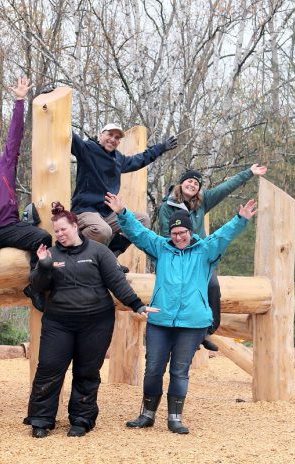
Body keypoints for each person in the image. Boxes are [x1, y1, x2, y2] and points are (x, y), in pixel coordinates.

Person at [105, 192, 257, 434]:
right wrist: (123, 213)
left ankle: (175, 417)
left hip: (192, 322)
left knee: (179, 369)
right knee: (153, 367)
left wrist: (240, 219)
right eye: (174, 234)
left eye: (182, 233)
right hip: (161, 319)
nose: (178, 237)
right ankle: (147, 414)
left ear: (190, 232)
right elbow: (140, 234)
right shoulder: (162, 248)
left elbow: (223, 235)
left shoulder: (205, 250)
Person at [23, 202, 158, 439]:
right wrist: (43, 266)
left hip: (96, 322)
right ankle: (41, 419)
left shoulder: (98, 251)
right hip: (59, 323)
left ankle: (82, 419)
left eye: (63, 229)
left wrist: (137, 305)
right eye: (56, 231)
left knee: (87, 371)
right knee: (49, 368)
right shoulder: (51, 255)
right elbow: (38, 287)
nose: (60, 235)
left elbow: (117, 283)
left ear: (75, 226)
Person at [157, 165, 267, 351]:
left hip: (200, 258)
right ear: (181, 183)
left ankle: (206, 331)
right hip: (176, 258)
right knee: (180, 292)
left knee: (213, 286)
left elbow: (225, 188)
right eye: (189, 180)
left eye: (196, 183)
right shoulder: (167, 207)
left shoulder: (203, 202)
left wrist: (249, 173)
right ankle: (174, 336)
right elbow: (167, 236)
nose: (192, 184)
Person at [0, 77, 51, 309]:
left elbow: (15, 134)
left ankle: (34, 286)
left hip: (9, 224)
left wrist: (19, 100)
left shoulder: (4, 163)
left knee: (42, 238)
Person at [70, 124, 178, 264]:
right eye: (110, 135)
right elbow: (69, 135)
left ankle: (110, 256)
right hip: (85, 210)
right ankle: (77, 253)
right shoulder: (87, 149)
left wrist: (160, 148)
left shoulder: (118, 159)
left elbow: (138, 160)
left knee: (142, 220)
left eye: (117, 138)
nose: (113, 139)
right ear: (101, 135)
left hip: (106, 213)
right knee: (104, 231)